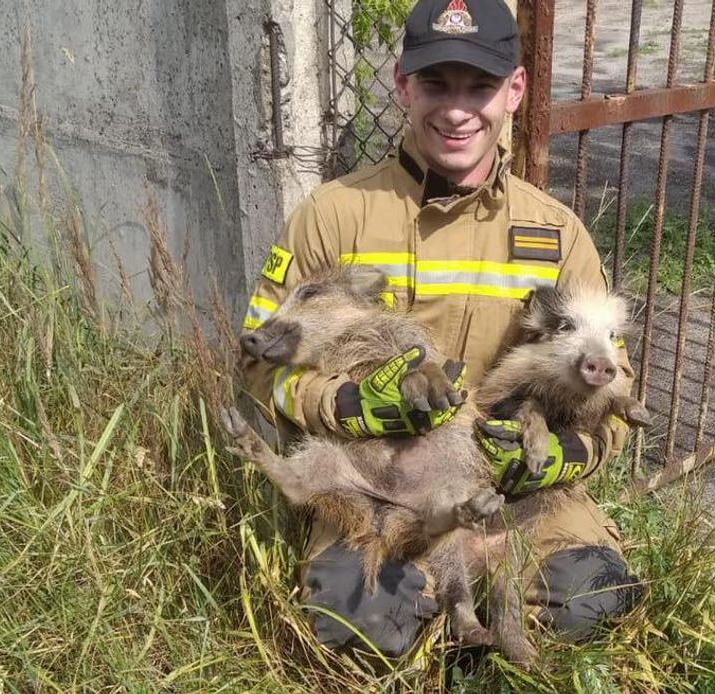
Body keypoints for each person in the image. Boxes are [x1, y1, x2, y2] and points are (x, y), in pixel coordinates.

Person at [240, 0, 641, 660]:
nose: (457, 112)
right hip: (390, 487)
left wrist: (561, 458)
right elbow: (255, 366)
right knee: (356, 627)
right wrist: (340, 405)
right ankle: (433, 624)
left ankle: (484, 621)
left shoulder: (558, 234)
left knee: (591, 602)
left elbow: (615, 399)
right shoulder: (334, 217)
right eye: (435, 85)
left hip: (524, 493)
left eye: (479, 87)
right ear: (402, 84)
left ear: (514, 91)